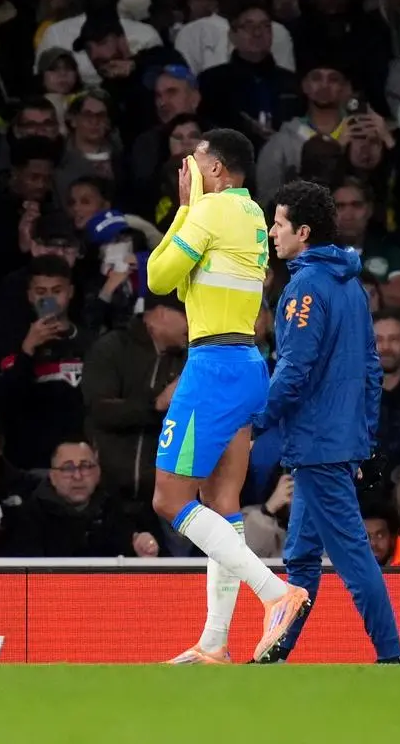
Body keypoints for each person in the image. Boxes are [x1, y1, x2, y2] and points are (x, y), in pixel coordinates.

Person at [145, 129, 309, 666]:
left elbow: (157, 277)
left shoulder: (210, 211)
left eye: (193, 162)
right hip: (246, 364)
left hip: (212, 366)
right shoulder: (252, 216)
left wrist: (184, 207)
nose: (186, 169)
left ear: (214, 169)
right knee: (224, 502)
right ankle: (215, 643)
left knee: (169, 499)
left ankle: (276, 594)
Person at [258, 179, 400, 664]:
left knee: (352, 557)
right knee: (300, 557)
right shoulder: (351, 286)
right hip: (337, 443)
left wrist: (257, 420)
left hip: (318, 445)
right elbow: (370, 369)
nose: (271, 233)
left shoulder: (303, 289)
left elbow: (294, 371)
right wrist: (364, 439)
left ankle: (391, 658)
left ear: (302, 231)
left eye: (278, 224)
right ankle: (276, 654)